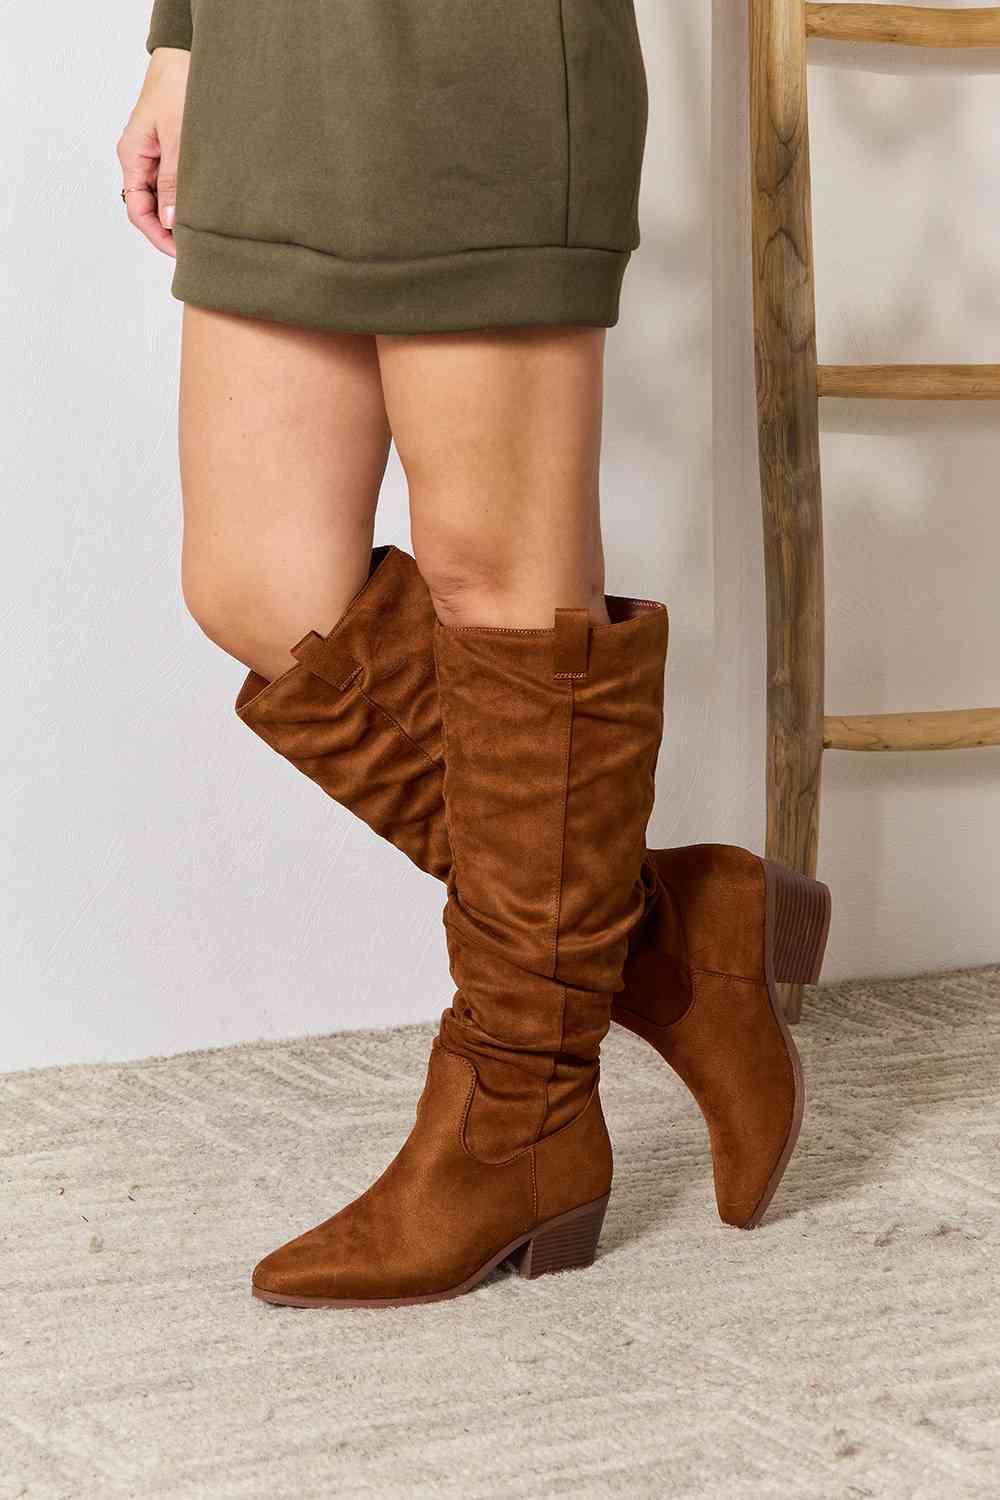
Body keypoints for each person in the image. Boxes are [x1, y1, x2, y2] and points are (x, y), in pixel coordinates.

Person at [118, 2, 831, 1310]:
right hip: (271, 57)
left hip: (475, 59)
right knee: (253, 581)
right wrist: (182, 40)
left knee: (500, 586)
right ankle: (666, 938)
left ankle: (518, 1116)